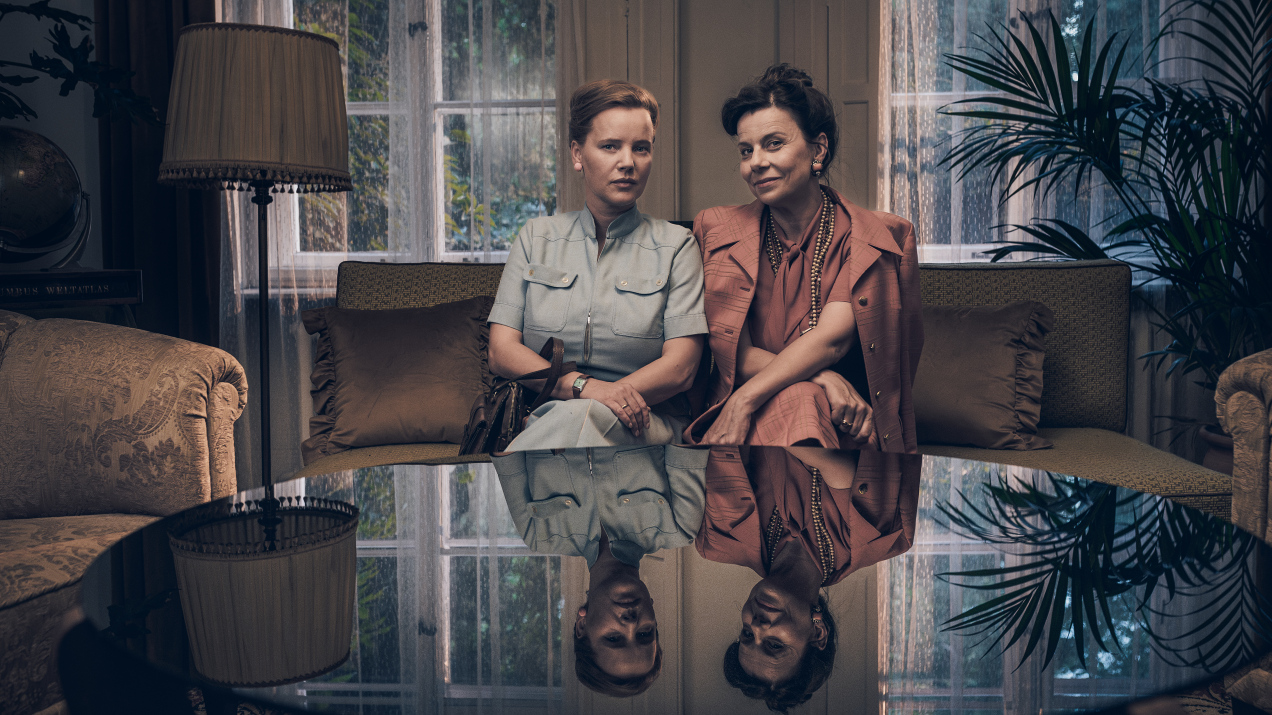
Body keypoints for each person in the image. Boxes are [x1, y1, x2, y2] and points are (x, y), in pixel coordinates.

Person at [683, 64, 923, 451]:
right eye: (746, 151)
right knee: (804, 396)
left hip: (846, 426)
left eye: (773, 144)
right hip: (750, 424)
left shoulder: (872, 237)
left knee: (805, 401)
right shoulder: (717, 230)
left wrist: (744, 400)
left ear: (818, 149)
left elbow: (830, 342)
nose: (755, 162)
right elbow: (734, 354)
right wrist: (822, 378)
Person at [487, 80, 707, 450]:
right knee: (571, 421)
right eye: (610, 146)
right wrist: (584, 389)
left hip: (644, 423)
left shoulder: (677, 246)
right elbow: (501, 351)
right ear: (578, 154)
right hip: (547, 415)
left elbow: (681, 367)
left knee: (579, 420)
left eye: (641, 148)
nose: (628, 162)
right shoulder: (536, 238)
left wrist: (605, 399)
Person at [699, 446, 921, 711]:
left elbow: (722, 435)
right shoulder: (885, 540)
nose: (757, 626)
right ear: (818, 633)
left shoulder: (719, 539)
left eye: (746, 634)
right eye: (774, 644)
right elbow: (851, 467)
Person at [491, 445, 709, 696]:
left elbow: (502, 442)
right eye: (645, 633)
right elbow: (684, 429)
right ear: (653, 614)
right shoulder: (681, 525)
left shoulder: (538, 534)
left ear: (582, 626)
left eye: (614, 638)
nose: (631, 623)